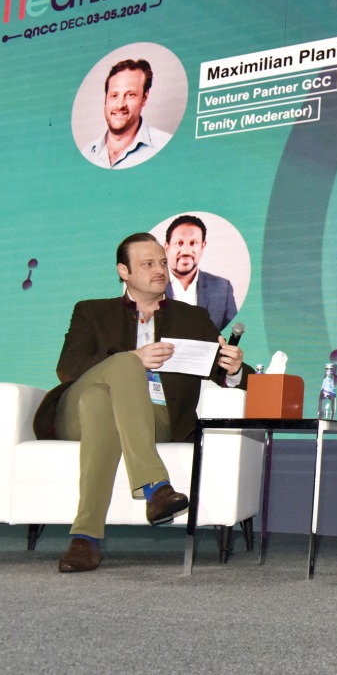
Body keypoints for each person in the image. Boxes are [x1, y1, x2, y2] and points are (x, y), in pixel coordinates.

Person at [32, 233, 248, 573]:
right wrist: (133, 359)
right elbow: (68, 368)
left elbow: (227, 373)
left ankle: (85, 539)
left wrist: (234, 369)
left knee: (99, 402)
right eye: (148, 264)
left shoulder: (193, 318)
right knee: (117, 370)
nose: (160, 270)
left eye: (162, 262)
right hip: (74, 416)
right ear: (124, 271)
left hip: (155, 417)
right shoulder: (91, 311)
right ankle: (155, 487)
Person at [83, 59, 174, 169]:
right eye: (114, 95)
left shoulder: (167, 147)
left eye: (130, 95)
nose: (120, 105)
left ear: (144, 98)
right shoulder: (86, 154)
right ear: (105, 100)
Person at [163, 214, 239, 330]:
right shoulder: (148, 285)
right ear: (167, 247)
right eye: (179, 243)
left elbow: (234, 335)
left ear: (203, 246)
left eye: (193, 243)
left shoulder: (222, 287)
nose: (186, 251)